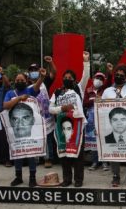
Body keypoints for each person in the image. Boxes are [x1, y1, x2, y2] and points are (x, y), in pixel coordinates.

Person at [49, 51, 90, 188]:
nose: (67, 79)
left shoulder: (78, 88)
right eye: (65, 77)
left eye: (70, 77)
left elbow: (86, 76)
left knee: (78, 155)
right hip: (62, 127)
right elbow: (51, 109)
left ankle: (78, 180)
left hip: (77, 127)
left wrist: (86, 61)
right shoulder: (57, 92)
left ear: (74, 80)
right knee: (64, 154)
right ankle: (67, 179)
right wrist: (62, 108)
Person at [102, 51, 126, 187]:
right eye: (117, 74)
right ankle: (116, 176)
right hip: (112, 126)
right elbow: (101, 112)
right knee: (114, 150)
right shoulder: (107, 91)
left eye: (122, 75)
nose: (119, 76)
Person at [3, 69, 45, 187]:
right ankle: (18, 177)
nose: (19, 81)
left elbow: (38, 84)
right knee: (18, 152)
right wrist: (18, 99)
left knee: (31, 152)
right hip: (16, 127)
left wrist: (41, 77)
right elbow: (5, 106)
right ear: (14, 82)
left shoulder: (30, 90)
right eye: (17, 80)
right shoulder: (10, 93)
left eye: (22, 80)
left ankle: (32, 177)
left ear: (26, 81)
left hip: (28, 128)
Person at [28, 56, 57, 168]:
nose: (33, 72)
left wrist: (50, 63)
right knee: (36, 137)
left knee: (48, 138)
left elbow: (53, 73)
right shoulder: (27, 86)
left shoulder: (45, 82)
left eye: (35, 70)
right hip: (35, 117)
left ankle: (48, 159)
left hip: (47, 117)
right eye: (31, 71)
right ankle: (36, 158)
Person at [85, 69, 112, 171]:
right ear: (93, 79)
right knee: (93, 142)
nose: (99, 80)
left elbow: (109, 81)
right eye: (97, 78)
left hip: (103, 118)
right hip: (91, 120)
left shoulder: (105, 89)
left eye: (101, 79)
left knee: (103, 139)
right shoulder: (88, 90)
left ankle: (105, 162)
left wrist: (109, 72)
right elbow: (84, 103)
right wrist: (93, 101)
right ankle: (95, 162)